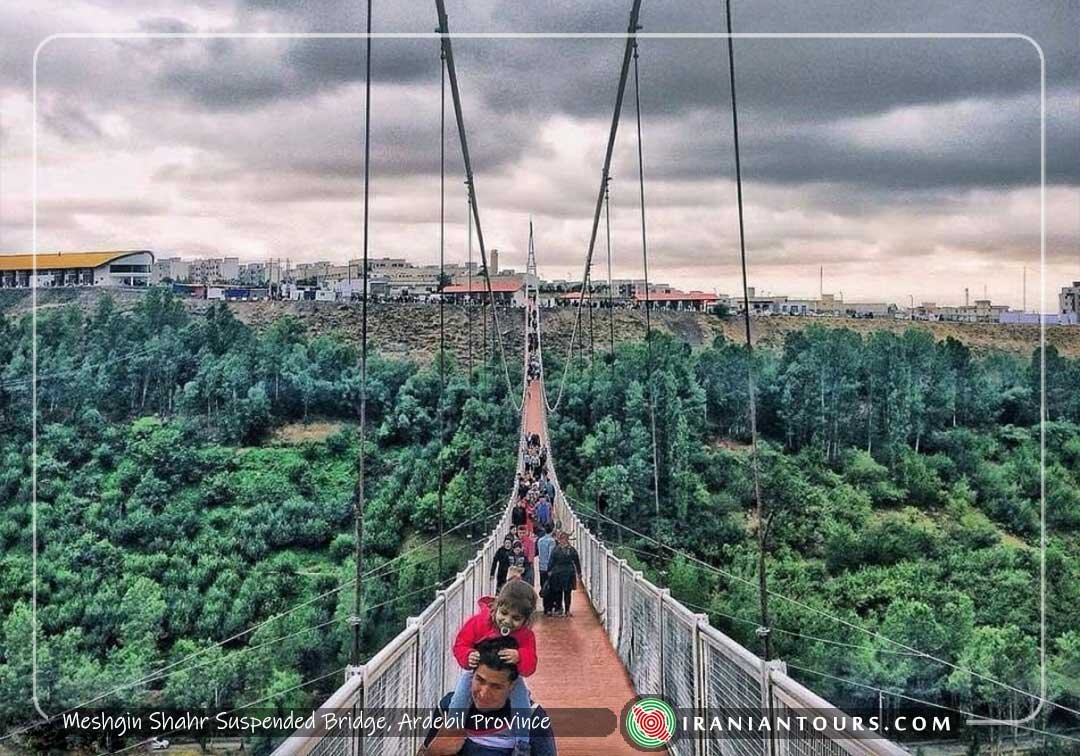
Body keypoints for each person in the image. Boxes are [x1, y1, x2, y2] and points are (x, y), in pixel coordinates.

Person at [421, 637, 556, 756]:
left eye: (496, 687)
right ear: (471, 675)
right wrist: (435, 751)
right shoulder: (448, 707)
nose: (484, 693)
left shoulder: (533, 718)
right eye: (479, 680)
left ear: (513, 686)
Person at [447, 585, 539, 755]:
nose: (507, 621)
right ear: (496, 607)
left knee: (522, 706)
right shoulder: (478, 623)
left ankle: (522, 744)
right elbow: (460, 644)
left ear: (526, 620)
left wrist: (520, 656)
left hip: (511, 679)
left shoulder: (526, 636)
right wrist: (468, 655)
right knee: (458, 700)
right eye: (503, 613)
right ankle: (451, 733)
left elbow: (530, 666)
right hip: (476, 672)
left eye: (516, 618)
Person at [545, 531, 582, 618]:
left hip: (568, 573)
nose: (563, 541)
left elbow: (576, 561)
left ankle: (567, 610)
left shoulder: (571, 550)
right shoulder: (556, 550)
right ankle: (559, 609)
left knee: (567, 592)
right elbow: (551, 561)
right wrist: (549, 571)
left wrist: (579, 572)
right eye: (562, 539)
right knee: (558, 592)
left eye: (565, 539)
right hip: (558, 573)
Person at [535, 526, 556, 615]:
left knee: (544, 586)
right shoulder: (551, 541)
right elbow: (551, 556)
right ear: (552, 529)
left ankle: (545, 607)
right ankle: (550, 608)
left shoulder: (540, 540)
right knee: (550, 588)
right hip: (549, 568)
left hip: (541, 567)